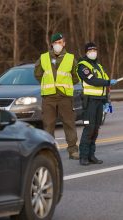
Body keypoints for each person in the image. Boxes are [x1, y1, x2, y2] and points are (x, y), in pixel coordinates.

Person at [34, 32, 79, 160]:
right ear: (52, 44)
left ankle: (73, 150)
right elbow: (37, 74)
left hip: (65, 96)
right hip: (49, 97)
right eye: (55, 43)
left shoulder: (71, 58)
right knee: (48, 125)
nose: (58, 45)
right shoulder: (43, 58)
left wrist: (65, 85)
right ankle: (49, 152)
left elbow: (76, 77)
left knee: (69, 123)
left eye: (60, 42)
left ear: (64, 44)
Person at [76, 42, 118, 165]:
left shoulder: (98, 66)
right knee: (89, 129)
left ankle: (91, 155)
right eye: (90, 50)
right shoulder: (82, 66)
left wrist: (106, 101)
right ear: (86, 52)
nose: (93, 52)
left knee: (95, 129)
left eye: (95, 50)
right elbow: (92, 80)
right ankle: (83, 157)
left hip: (99, 101)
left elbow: (104, 87)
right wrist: (108, 81)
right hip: (89, 101)